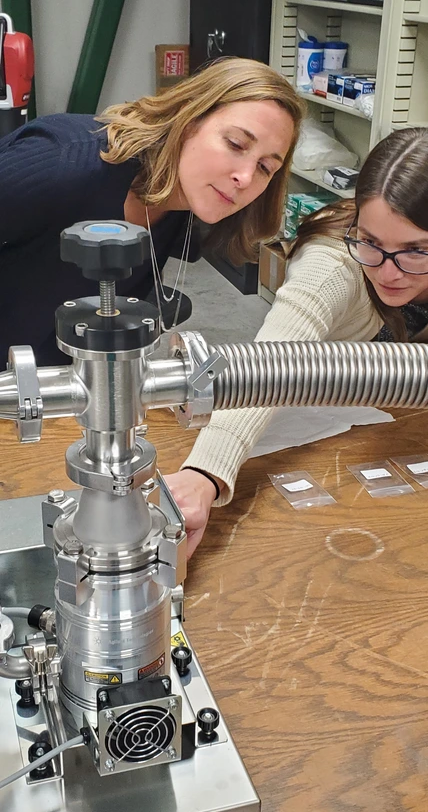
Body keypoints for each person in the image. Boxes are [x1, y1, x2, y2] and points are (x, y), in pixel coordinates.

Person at [165, 126, 428, 557]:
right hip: (328, 433)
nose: (388, 271)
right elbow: (270, 361)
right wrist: (203, 476)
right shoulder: (331, 265)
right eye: (371, 242)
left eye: (416, 251)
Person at [0, 57, 302, 366]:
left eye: (266, 167)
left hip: (46, 380)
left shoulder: (185, 201)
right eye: (236, 144)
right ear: (189, 121)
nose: (246, 177)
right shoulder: (62, 163)